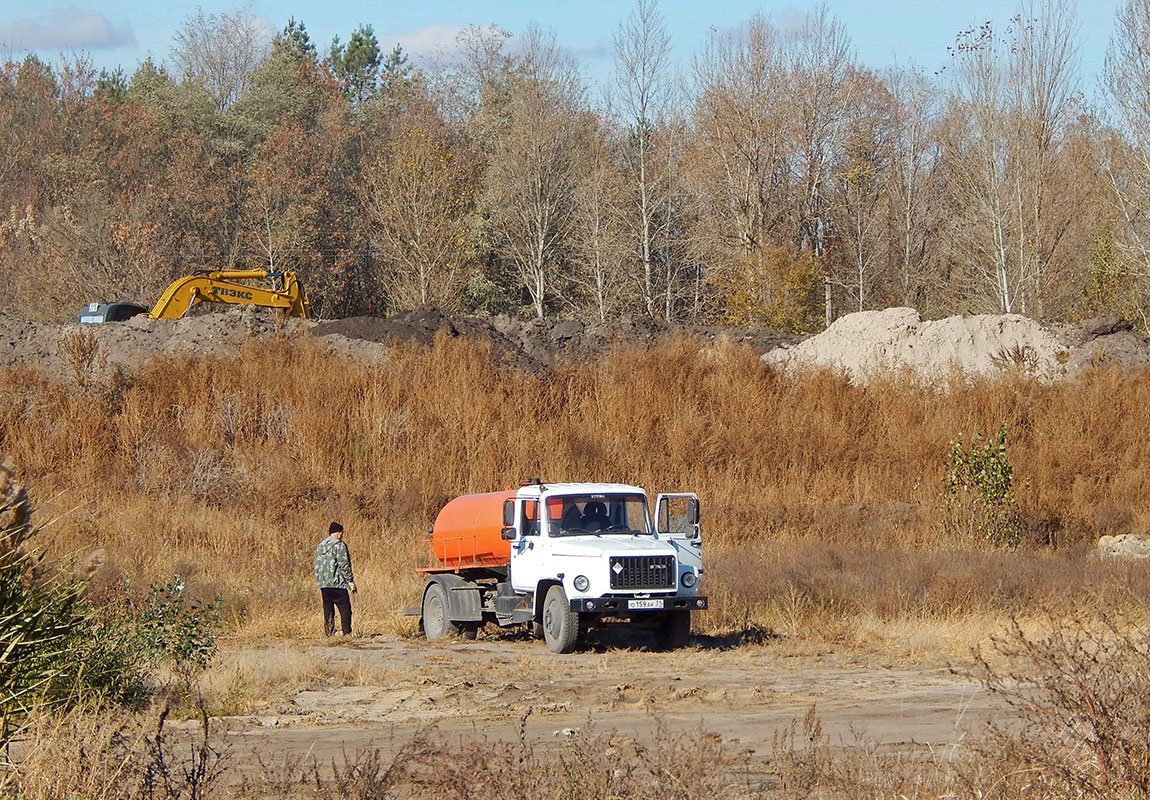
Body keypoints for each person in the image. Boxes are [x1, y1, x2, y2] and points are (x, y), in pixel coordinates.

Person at [314, 521, 356, 636]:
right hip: (338, 583)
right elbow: (344, 564)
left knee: (328, 609)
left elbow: (316, 564)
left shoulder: (320, 545)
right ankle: (347, 633)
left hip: (324, 584)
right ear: (337, 533)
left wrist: (319, 581)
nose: (342, 535)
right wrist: (350, 581)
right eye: (341, 533)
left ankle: (329, 632)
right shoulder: (339, 545)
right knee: (345, 608)